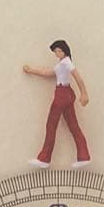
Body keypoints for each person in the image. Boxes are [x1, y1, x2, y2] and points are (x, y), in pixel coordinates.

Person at [23, 40, 90, 168]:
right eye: (55, 51)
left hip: (62, 95)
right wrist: (31, 70)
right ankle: (84, 155)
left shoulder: (67, 62)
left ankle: (44, 158)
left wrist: (84, 93)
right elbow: (48, 73)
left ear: (64, 51)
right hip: (65, 94)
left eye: (58, 51)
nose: (56, 53)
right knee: (73, 126)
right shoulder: (61, 63)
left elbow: (78, 77)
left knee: (51, 125)